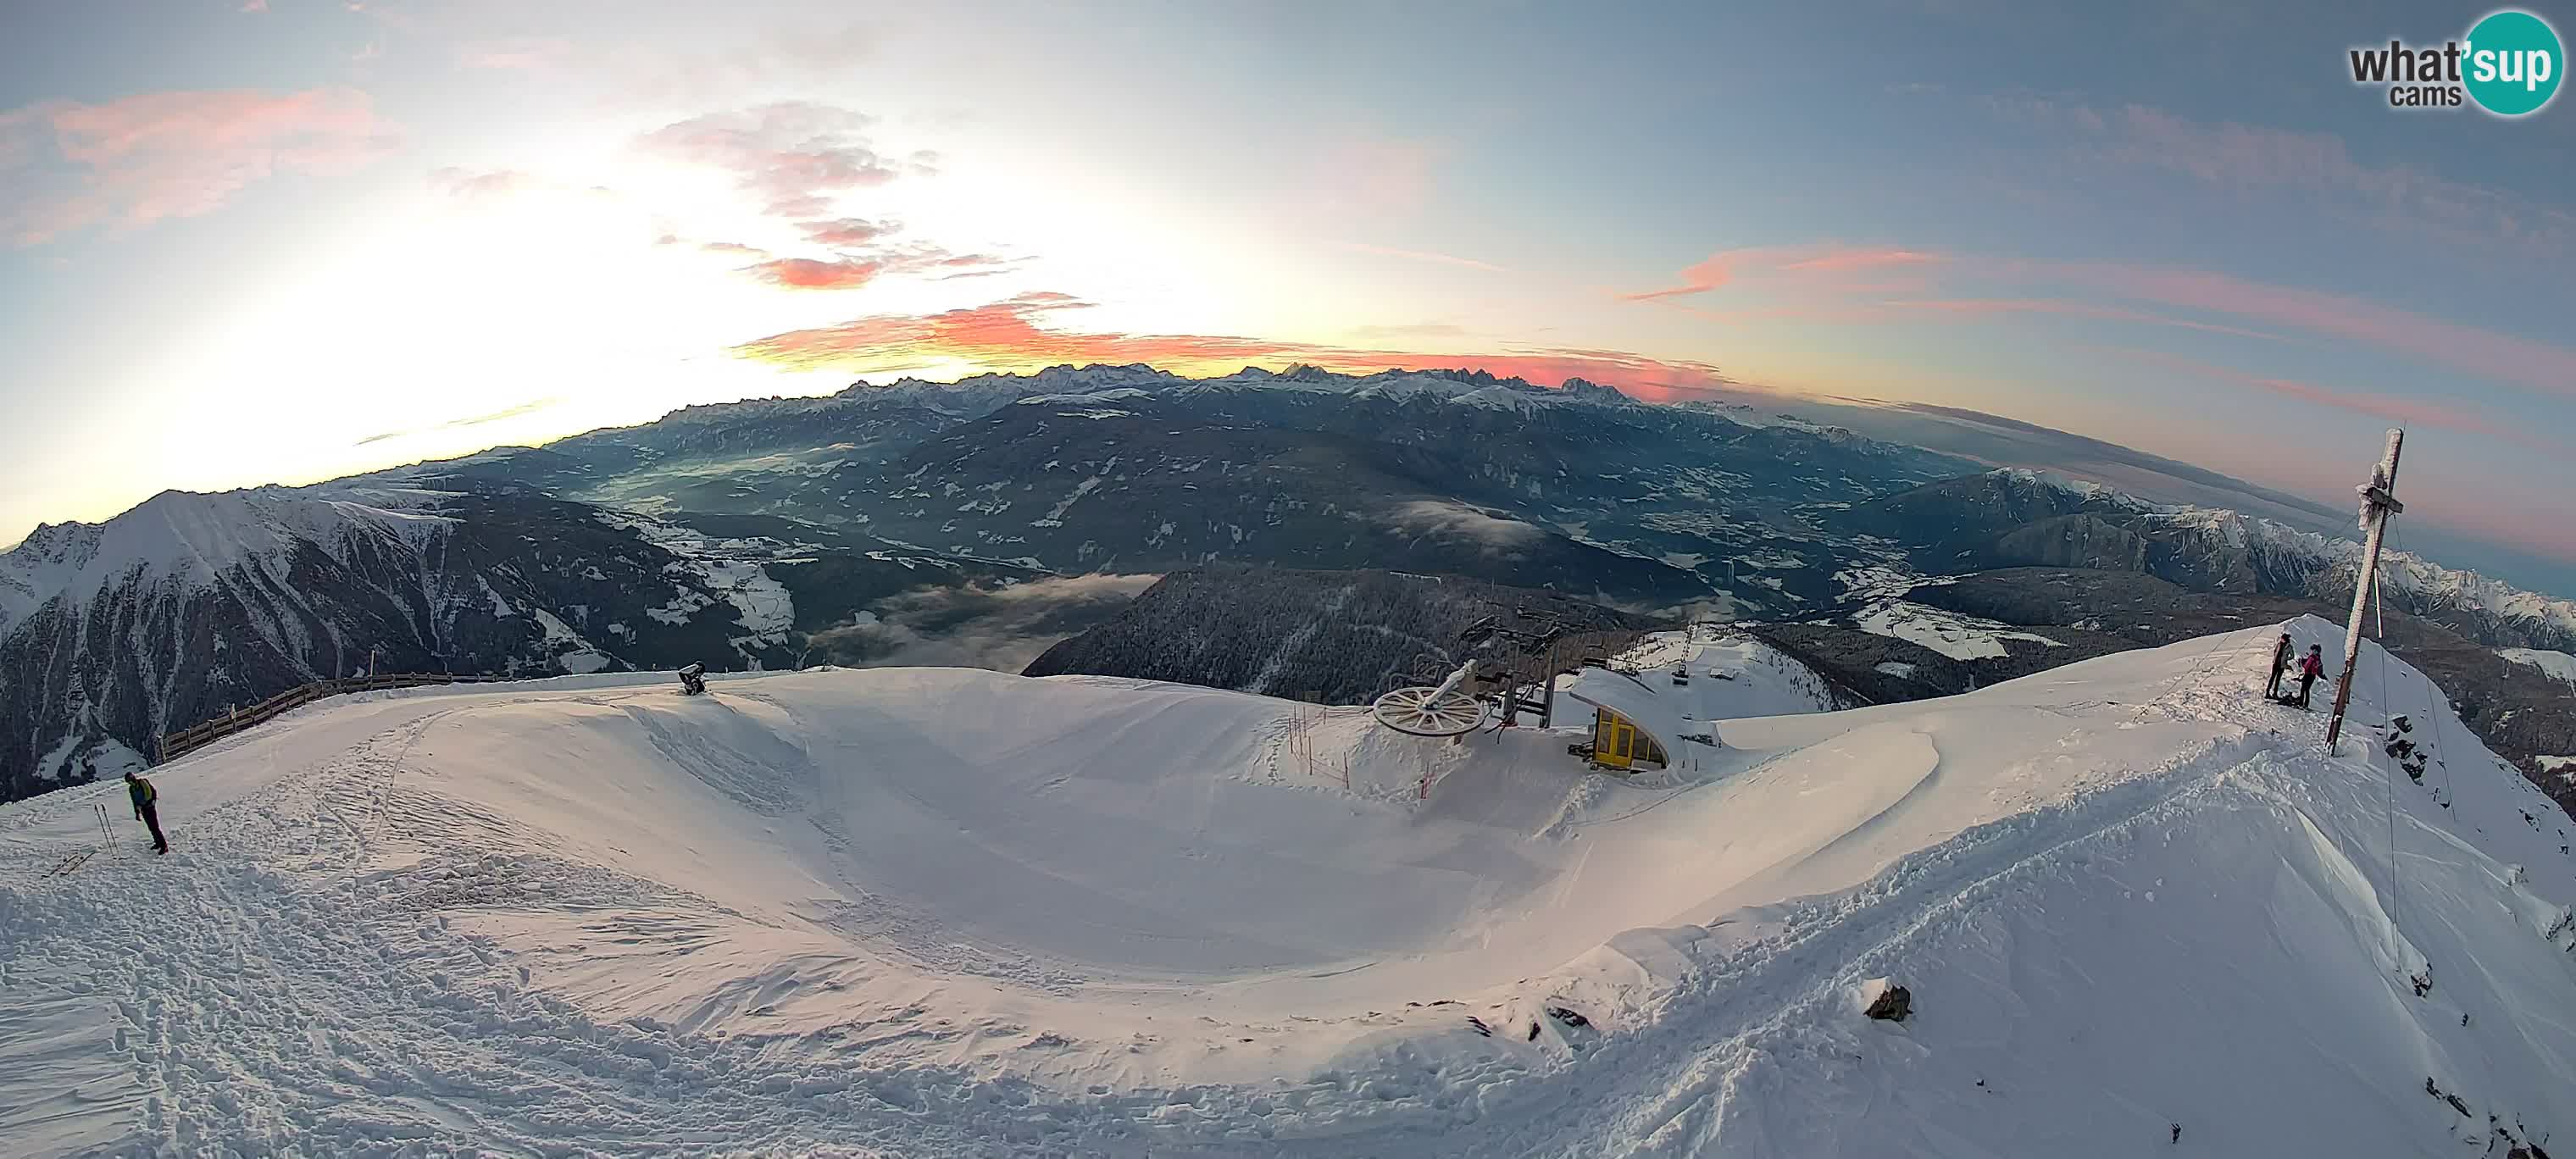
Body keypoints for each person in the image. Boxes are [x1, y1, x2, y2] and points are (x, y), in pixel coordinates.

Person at [124, 771, 169, 855]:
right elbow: (134, 801)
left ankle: (164, 846)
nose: (129, 783)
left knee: (155, 827)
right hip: (143, 809)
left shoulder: (142, 782)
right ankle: (158, 843)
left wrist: (144, 803)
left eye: (129, 780)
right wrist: (137, 812)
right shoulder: (132, 789)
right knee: (151, 827)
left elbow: (149, 794)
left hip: (149, 807)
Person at [2263, 632, 2293, 700]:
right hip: (2276, 663)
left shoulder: (2289, 647)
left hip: (2282, 665)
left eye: (2282, 638)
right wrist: (2275, 658)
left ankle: (2275, 693)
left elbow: (2292, 656)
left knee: (2278, 679)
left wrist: (2286, 658)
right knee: (2272, 677)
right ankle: (2267, 692)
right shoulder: (2279, 644)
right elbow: (2275, 651)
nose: (2281, 639)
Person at [2296, 645, 2326, 709]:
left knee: (2303, 689)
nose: (2312, 651)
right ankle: (2306, 704)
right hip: (2313, 675)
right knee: (2307, 690)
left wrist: (2302, 662)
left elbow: (2306, 666)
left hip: (2308, 674)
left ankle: (2301, 703)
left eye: (2313, 650)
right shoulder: (2318, 658)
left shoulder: (2312, 657)